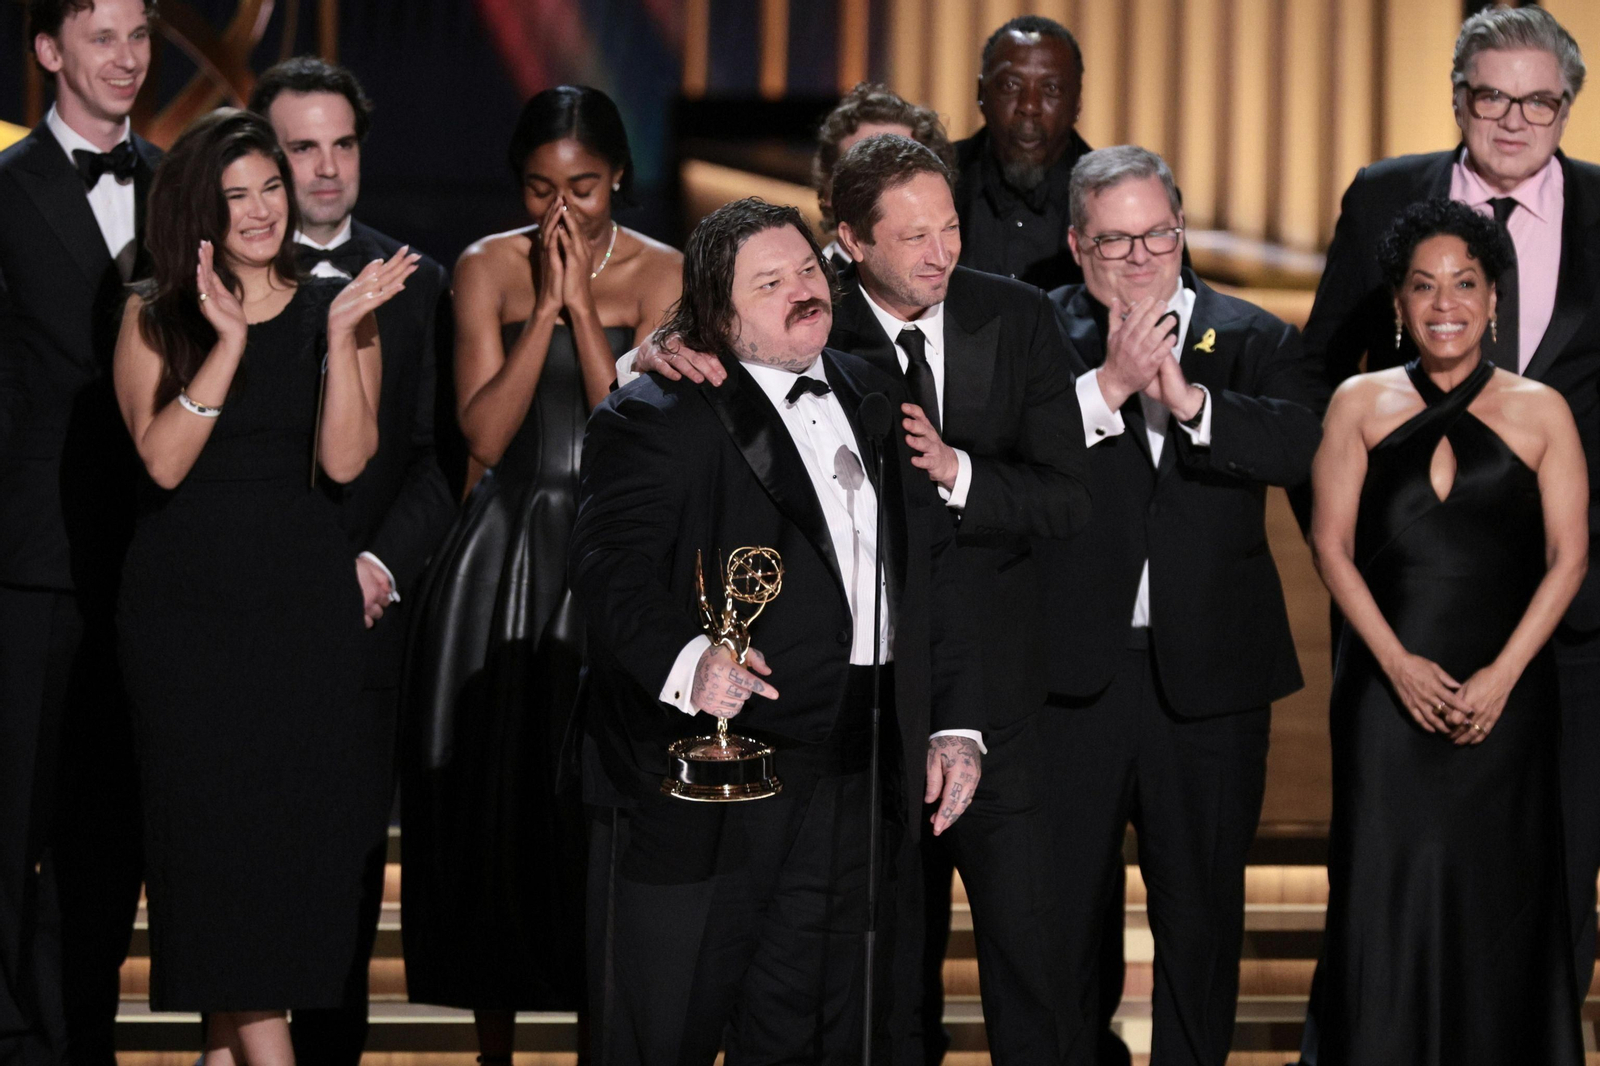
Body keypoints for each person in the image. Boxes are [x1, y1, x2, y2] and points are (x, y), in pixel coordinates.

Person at [627, 134, 1094, 1063]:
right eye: (913, 234)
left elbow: (1066, 498)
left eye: (951, 226)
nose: (941, 252)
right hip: (829, 722)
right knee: (864, 975)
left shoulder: (1015, 317)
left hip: (977, 698)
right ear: (851, 241)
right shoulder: (810, 324)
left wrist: (958, 472)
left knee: (1025, 959)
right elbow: (705, 356)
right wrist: (657, 349)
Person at [572, 195, 982, 1063]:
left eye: (806, 271)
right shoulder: (657, 412)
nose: (803, 291)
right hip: (713, 778)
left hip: (860, 769)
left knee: (813, 1025)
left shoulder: (876, 390)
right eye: (770, 282)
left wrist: (951, 721)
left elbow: (933, 569)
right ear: (718, 313)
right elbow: (610, 575)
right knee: (670, 1019)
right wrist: (692, 664)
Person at [1301, 3, 1600, 1005]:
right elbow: (1317, 374)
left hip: (1573, 615)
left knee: (1551, 873)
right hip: (1412, 616)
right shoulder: (1386, 194)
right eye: (1491, 95)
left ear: (1568, 106)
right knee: (1392, 877)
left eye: (1538, 101)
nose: (1513, 118)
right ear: (1457, 97)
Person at [112, 107, 414, 1064]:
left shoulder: (335, 303)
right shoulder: (152, 309)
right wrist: (229, 346)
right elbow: (160, 463)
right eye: (237, 194)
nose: (260, 209)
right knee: (217, 874)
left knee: (281, 879)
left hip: (299, 621)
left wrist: (343, 334)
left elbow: (348, 459)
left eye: (270, 189)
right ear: (200, 205)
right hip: (187, 627)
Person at [398, 84, 680, 1061]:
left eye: (587, 187)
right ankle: (493, 1042)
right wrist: (542, 310)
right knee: (495, 800)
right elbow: (480, 430)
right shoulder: (481, 268)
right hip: (502, 553)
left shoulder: (665, 272)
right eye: (539, 187)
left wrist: (580, 311)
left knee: (595, 804)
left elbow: (629, 424)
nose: (563, 210)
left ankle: (605, 1024)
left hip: (611, 544)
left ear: (619, 182)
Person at [1043, 146, 1326, 1066]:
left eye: (1156, 233)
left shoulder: (1254, 337)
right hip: (1071, 680)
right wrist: (1112, 388)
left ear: (1182, 228)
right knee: (1064, 920)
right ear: (1078, 246)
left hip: (1210, 688)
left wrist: (1192, 402)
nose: (1138, 256)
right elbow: (1004, 453)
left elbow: (1297, 445)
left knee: (1201, 919)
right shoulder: (1034, 334)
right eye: (1114, 239)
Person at [250, 56, 457, 1066]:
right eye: (302, 148)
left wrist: (378, 565)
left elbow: (435, 459)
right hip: (241, 621)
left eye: (342, 144)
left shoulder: (421, 283)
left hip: (367, 632)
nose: (326, 169)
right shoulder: (224, 274)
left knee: (340, 880)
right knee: (244, 872)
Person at [0, 2, 158, 1061]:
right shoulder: (3, 194)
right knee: (12, 830)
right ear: (50, 50)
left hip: (151, 567)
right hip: (27, 562)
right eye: (100, 34)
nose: (129, 56)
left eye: (141, 32)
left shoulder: (187, 190)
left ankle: (84, 1039)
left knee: (111, 838)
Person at [955, 15, 1092, 290]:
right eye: (1010, 85)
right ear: (981, 92)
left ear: (1076, 103)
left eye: (1051, 88)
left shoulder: (1113, 195)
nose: (1029, 106)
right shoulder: (934, 179)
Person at [811, 84, 956, 271]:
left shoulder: (969, 289)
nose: (887, 188)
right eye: (865, 170)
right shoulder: (811, 294)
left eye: (905, 168)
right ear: (828, 190)